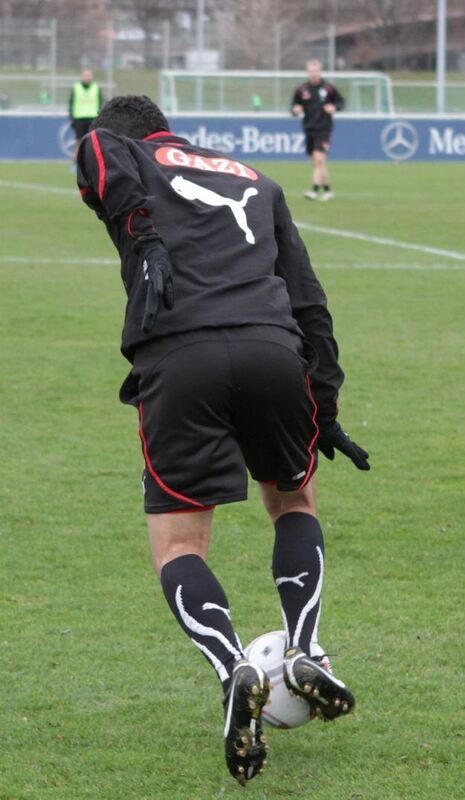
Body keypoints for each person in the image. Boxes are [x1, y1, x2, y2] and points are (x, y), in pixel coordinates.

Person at [76, 95, 370, 786]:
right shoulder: (255, 179)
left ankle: (233, 664)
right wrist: (322, 404)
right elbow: (310, 302)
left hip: (181, 359)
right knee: (294, 506)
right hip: (275, 350)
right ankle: (302, 646)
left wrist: (143, 234)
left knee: (178, 545)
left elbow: (94, 150)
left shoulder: (122, 153)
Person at [291, 59, 345, 201]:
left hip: (324, 129)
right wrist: (295, 110)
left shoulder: (329, 88)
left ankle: (314, 190)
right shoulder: (302, 89)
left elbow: (340, 102)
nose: (313, 74)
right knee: (317, 163)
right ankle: (327, 190)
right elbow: (294, 106)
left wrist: (334, 107)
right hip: (309, 129)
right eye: (311, 71)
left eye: (316, 71)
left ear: (320, 72)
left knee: (319, 160)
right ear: (307, 72)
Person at [69, 68, 103, 147]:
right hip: (79, 118)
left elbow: (100, 103)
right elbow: (71, 103)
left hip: (93, 118)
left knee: (93, 141)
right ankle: (78, 159)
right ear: (82, 76)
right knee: (79, 141)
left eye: (89, 75)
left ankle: (91, 158)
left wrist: (99, 117)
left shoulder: (96, 87)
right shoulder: (76, 87)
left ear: (92, 77)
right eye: (85, 75)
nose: (87, 77)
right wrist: (72, 118)